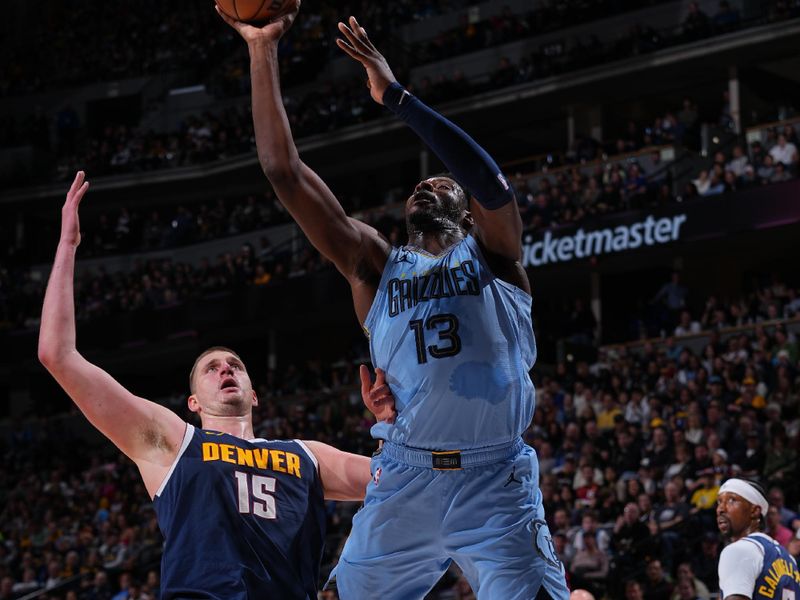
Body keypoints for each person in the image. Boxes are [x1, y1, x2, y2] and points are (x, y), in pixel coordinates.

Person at [217, 4, 570, 599]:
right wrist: (262, 49)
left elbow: (491, 184)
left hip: (497, 483)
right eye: (420, 183)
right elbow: (283, 171)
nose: (428, 182)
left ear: (464, 212)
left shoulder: (496, 259)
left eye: (442, 182)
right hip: (406, 477)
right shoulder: (375, 265)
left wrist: (398, 98)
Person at [38, 172, 384, 599]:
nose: (226, 370)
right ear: (193, 402)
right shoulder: (172, 443)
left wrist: (388, 426)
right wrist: (67, 246)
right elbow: (58, 355)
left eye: (236, 365)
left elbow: (393, 481)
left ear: (254, 394)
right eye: (212, 368)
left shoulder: (306, 456)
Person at [716, 478, 800, 599]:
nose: (720, 509)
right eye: (719, 502)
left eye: (732, 500)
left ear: (754, 511)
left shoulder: (740, 550)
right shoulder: (789, 559)